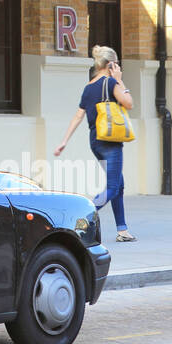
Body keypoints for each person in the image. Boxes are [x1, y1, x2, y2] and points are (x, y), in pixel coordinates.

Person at [53, 45, 136, 242]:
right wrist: (120, 80)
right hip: (111, 140)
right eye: (116, 64)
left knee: (118, 184)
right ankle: (81, 219)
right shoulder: (111, 83)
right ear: (110, 65)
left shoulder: (88, 87)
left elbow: (78, 116)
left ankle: (122, 230)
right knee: (113, 187)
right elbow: (129, 103)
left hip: (96, 142)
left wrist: (64, 141)